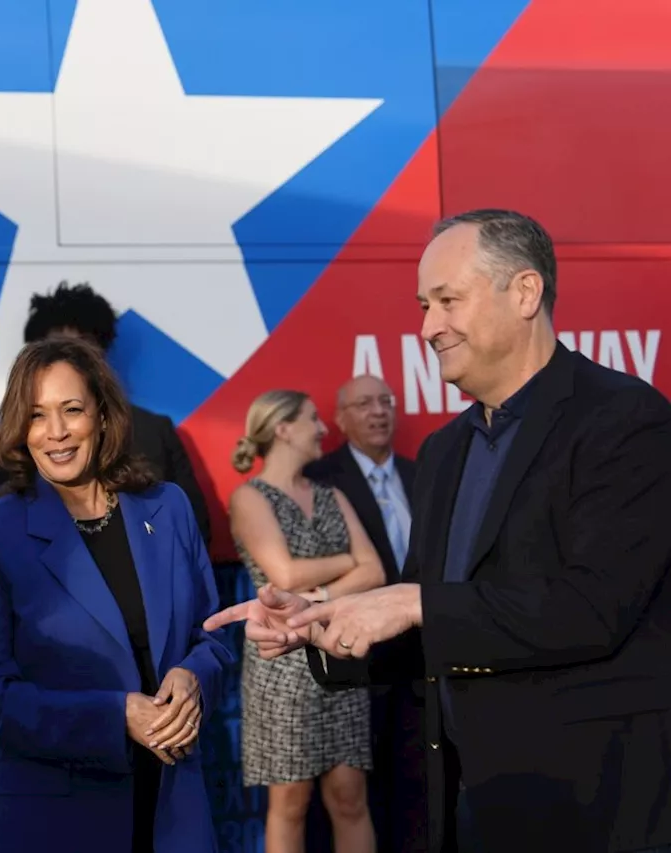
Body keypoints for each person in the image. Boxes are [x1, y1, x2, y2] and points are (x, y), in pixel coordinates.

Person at [206, 209, 671, 853]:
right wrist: (321, 623)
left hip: (588, 805)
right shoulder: (446, 451)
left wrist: (409, 600)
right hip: (464, 807)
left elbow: (592, 608)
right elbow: (434, 629)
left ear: (526, 293)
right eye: (424, 306)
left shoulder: (625, 419)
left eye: (448, 300)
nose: (427, 327)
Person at [0, 337, 232, 853]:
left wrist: (195, 679)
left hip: (172, 811)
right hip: (54, 821)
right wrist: (117, 715)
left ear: (102, 414)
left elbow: (210, 635)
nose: (55, 432)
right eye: (36, 416)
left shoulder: (167, 508)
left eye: (71, 410)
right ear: (18, 430)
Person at [230, 390, 383, 853]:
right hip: (281, 665)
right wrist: (343, 563)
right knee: (291, 803)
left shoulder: (330, 494)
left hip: (342, 653)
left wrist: (316, 598)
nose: (322, 429)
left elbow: (375, 570)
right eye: (313, 419)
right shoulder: (249, 497)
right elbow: (284, 573)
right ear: (283, 428)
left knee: (350, 798)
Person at [0, 282, 213, 546]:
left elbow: (194, 532)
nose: (57, 432)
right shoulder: (3, 447)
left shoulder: (154, 432)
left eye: (82, 346)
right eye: (56, 345)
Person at [303, 375, 425, 853]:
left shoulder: (423, 474)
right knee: (353, 794)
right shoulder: (320, 480)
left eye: (385, 402)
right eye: (364, 404)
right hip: (355, 658)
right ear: (340, 418)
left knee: (417, 784)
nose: (378, 412)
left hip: (422, 657)